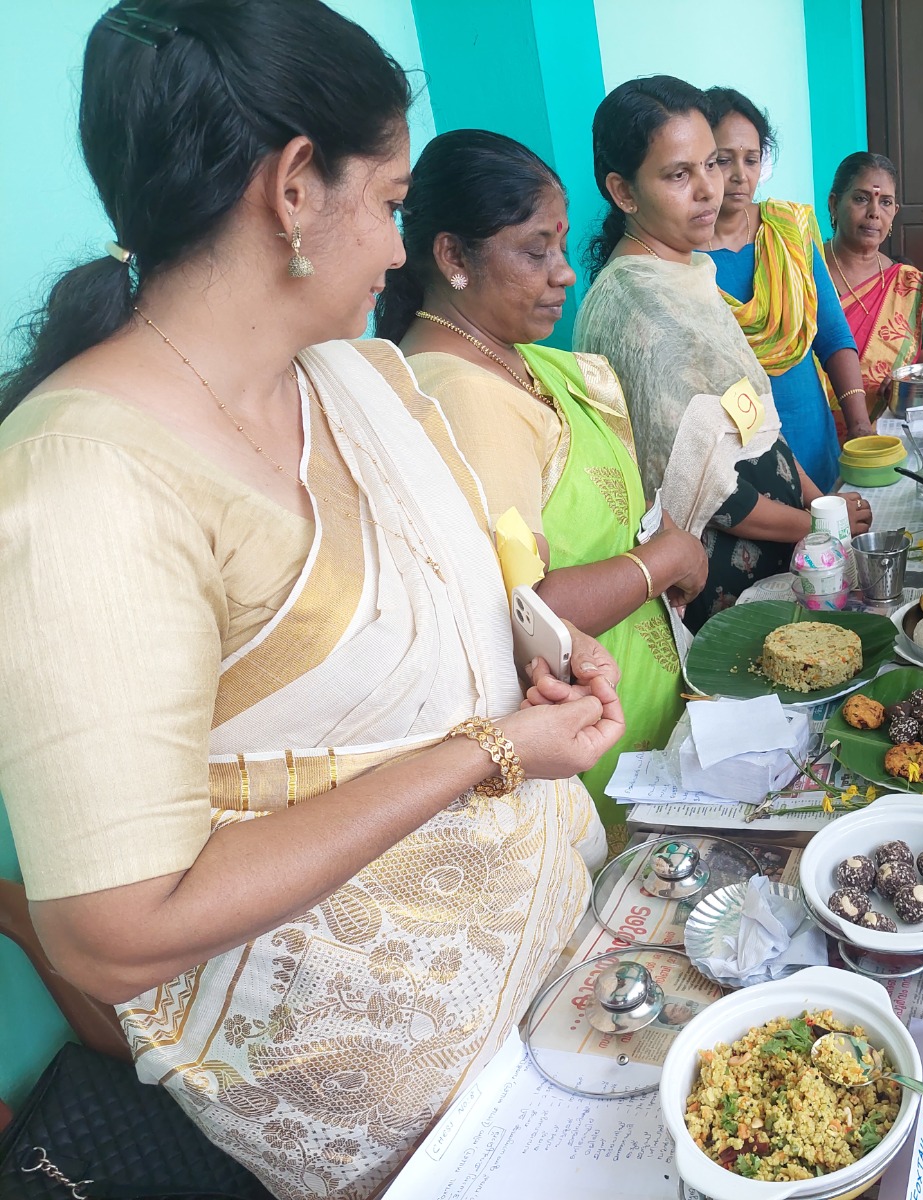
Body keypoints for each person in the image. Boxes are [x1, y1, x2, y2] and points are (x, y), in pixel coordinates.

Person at [0, 4, 623, 1196]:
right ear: (294, 189)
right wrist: (489, 746)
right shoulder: (85, 479)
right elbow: (114, 930)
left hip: (547, 957)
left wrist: (541, 649)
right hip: (376, 1089)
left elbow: (445, 612)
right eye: (390, 203)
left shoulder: (360, 375)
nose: (400, 250)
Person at [376, 130, 703, 827]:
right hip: (581, 738)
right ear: (452, 256)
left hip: (629, 706)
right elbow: (523, 615)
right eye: (535, 252)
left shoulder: (513, 361)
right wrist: (666, 559)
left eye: (560, 247)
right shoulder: (463, 393)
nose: (565, 273)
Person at [573, 76, 870, 630]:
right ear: (624, 191)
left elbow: (755, 423)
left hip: (782, 548)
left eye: (711, 164)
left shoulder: (688, 272)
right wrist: (812, 526)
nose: (711, 188)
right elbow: (706, 492)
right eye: (680, 174)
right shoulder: (636, 303)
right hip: (725, 593)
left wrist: (816, 507)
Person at [702, 86, 869, 488]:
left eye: (752, 159)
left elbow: (831, 334)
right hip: (739, 465)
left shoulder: (787, 230)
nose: (741, 175)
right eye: (724, 160)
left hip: (812, 436)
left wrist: (859, 424)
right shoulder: (681, 259)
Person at [823, 152, 923, 415]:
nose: (874, 213)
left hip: (888, 441)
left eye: (885, 202)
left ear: (895, 212)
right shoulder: (802, 274)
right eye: (861, 199)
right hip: (810, 439)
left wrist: (908, 387)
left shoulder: (910, 287)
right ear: (834, 204)